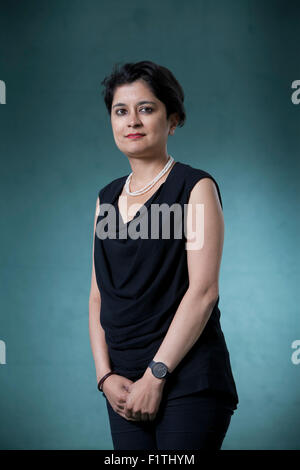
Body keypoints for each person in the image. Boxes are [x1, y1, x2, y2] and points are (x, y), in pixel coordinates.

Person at [89, 60, 239, 451]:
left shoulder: (195, 187)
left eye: (147, 108)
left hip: (185, 379)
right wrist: (105, 378)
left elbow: (203, 292)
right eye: (121, 111)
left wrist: (156, 376)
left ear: (173, 120)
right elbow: (97, 297)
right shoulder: (105, 198)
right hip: (121, 385)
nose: (132, 120)